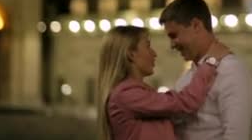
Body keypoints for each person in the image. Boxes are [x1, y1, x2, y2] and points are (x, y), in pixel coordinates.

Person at [97, 25, 229, 140]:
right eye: (148, 46)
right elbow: (185, 103)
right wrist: (210, 62)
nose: (154, 54)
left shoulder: (135, 92)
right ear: (131, 54)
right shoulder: (126, 95)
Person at [160, 0, 252, 140]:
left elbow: (236, 135)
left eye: (174, 35)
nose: (172, 45)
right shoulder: (189, 75)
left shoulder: (230, 69)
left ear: (196, 25)